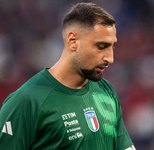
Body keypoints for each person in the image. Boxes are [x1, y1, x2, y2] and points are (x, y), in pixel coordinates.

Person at [0, 3, 136, 150]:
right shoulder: (27, 101)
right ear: (73, 41)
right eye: (101, 47)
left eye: (112, 47)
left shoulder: (105, 91)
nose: (110, 58)